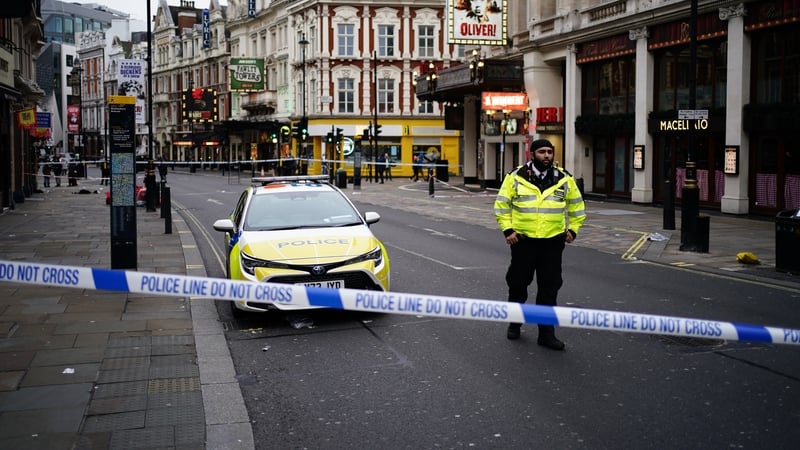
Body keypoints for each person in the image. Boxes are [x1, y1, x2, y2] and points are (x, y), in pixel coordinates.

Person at [494, 139, 586, 350]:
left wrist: (573, 230)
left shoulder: (564, 179)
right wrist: (508, 230)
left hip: (552, 243)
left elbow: (577, 207)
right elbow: (501, 206)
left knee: (549, 288)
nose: (547, 156)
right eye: (542, 152)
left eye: (550, 152)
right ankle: (515, 323)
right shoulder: (516, 177)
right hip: (523, 241)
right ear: (532, 154)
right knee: (517, 284)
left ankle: (546, 334)